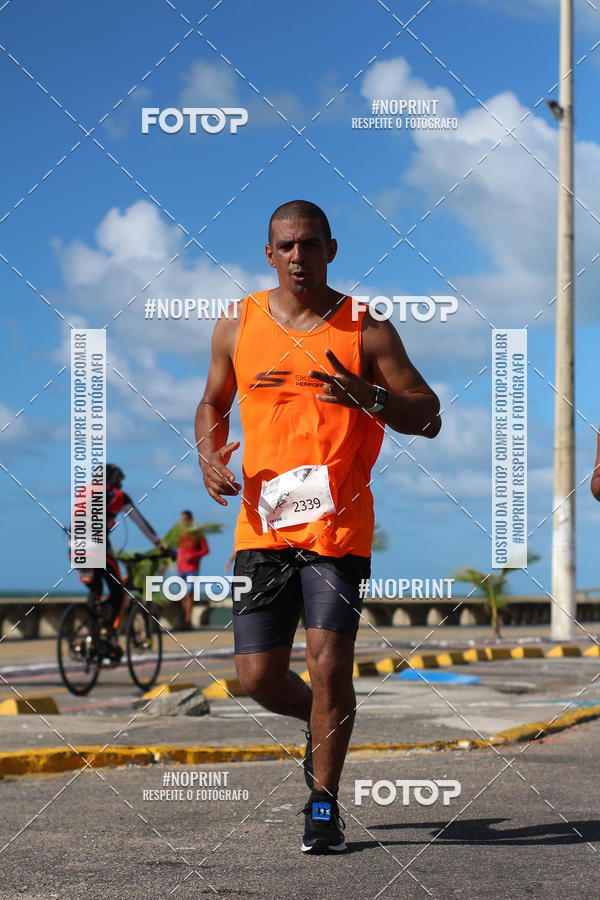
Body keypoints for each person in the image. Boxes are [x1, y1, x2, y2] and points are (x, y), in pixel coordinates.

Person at [194, 200, 441, 853]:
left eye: (309, 244)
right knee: (256, 677)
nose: (298, 256)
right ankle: (327, 721)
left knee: (329, 665)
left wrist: (372, 397)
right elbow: (213, 401)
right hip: (263, 527)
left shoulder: (367, 327)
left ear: (331, 249)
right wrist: (208, 452)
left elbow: (429, 415)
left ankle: (323, 804)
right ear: (269, 254)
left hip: (339, 528)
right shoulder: (236, 323)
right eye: (286, 246)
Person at [74, 464, 163, 651]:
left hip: (76, 545)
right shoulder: (118, 496)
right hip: (98, 546)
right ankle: (108, 634)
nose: (121, 485)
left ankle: (93, 637)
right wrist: (160, 546)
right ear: (114, 480)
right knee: (118, 591)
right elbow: (142, 523)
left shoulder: (84, 491)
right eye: (119, 481)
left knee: (95, 587)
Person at [174, 510, 209, 630]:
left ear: (190, 520)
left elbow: (205, 550)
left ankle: (188, 621)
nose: (183, 522)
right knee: (182, 595)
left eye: (185, 519)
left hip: (192, 568)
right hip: (180, 569)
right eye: (182, 520)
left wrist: (193, 556)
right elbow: (174, 549)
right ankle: (184, 619)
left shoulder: (197, 533)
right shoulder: (179, 533)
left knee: (189, 594)